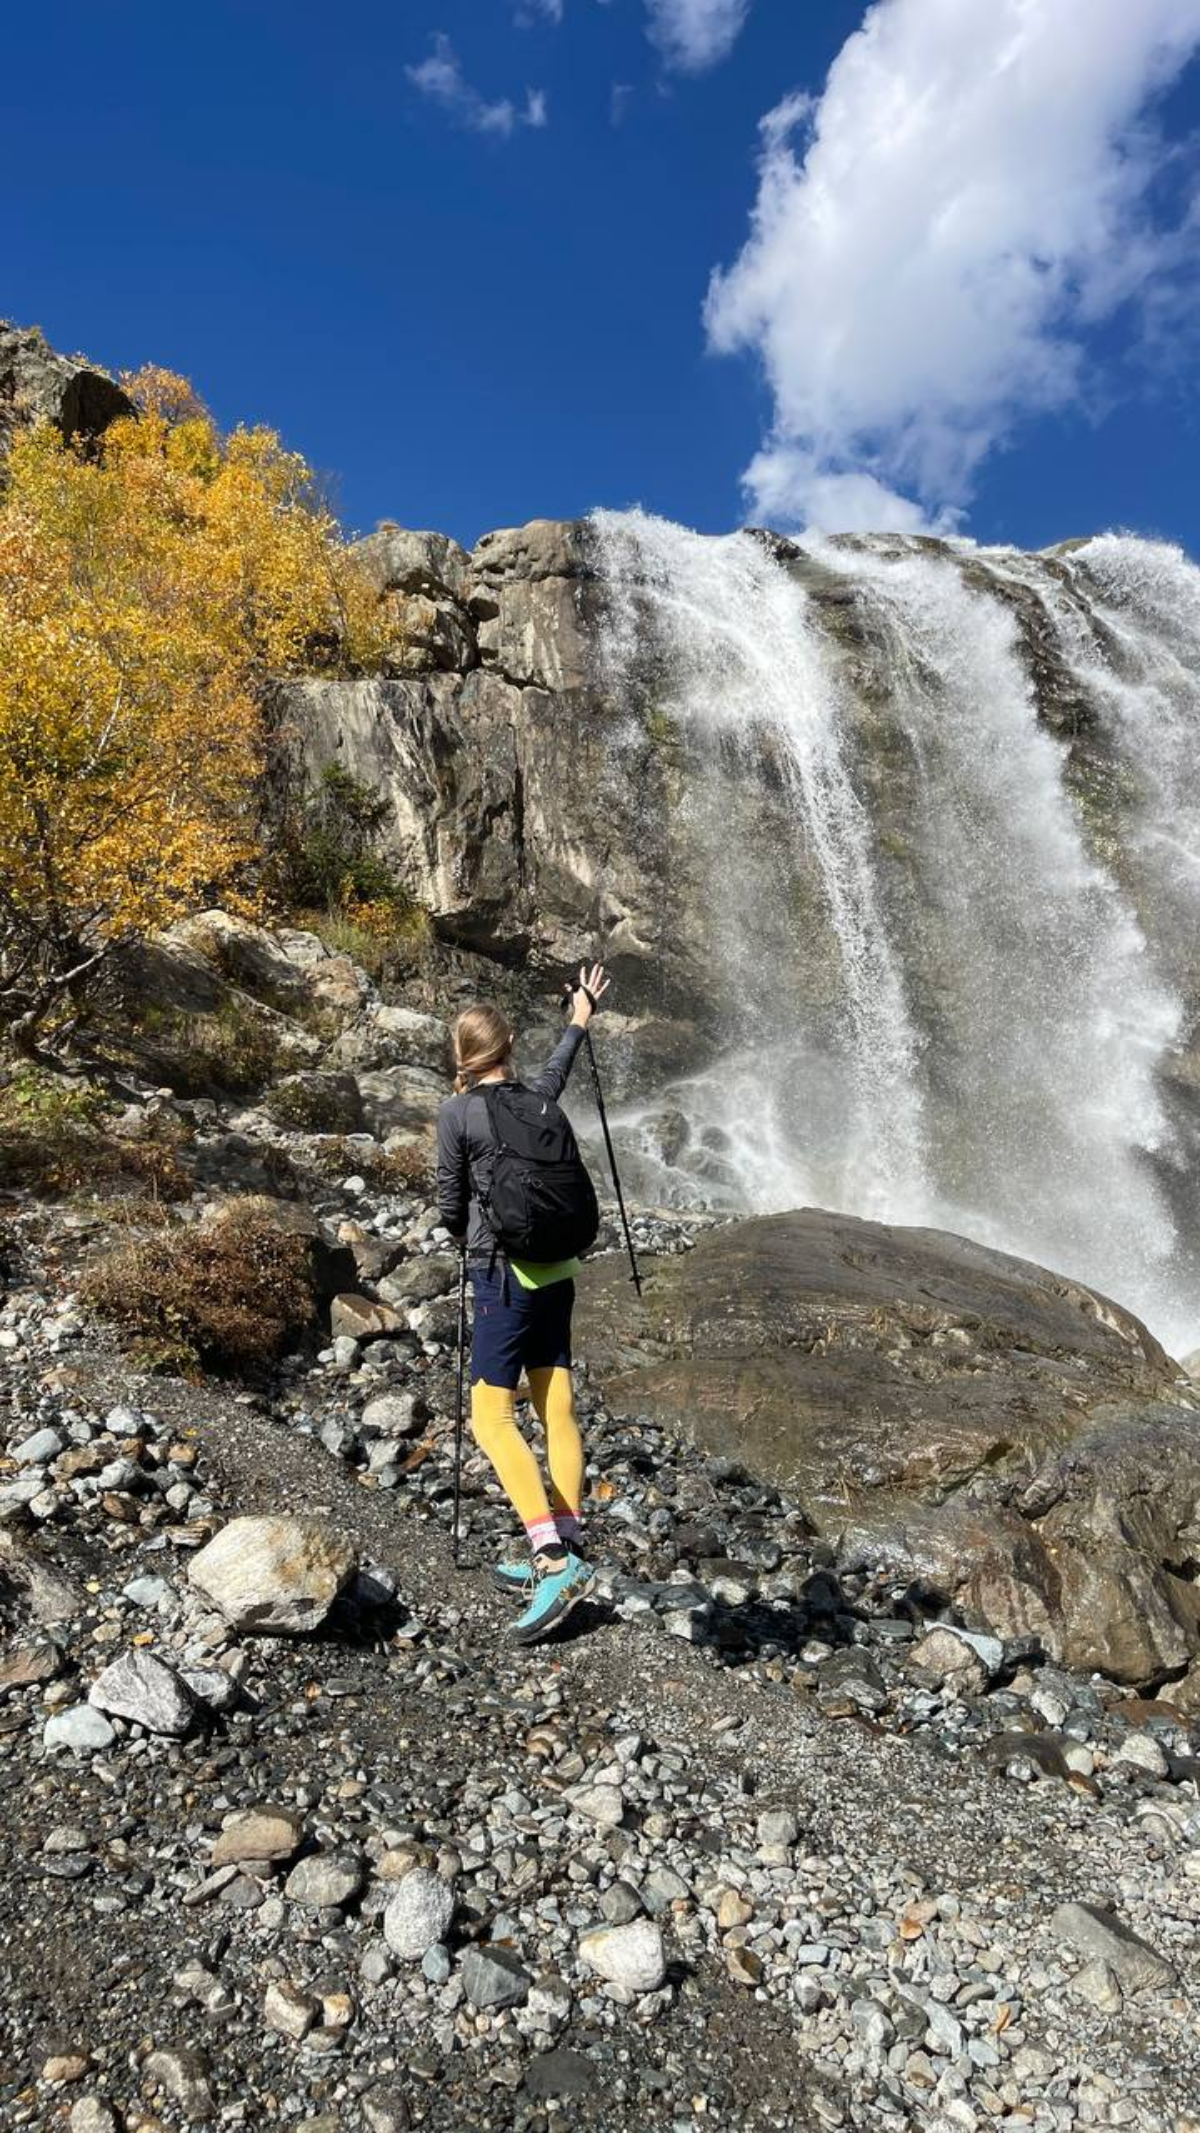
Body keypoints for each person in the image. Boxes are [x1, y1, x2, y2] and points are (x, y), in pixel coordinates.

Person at [436, 963, 610, 1644]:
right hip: (557, 1271)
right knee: (555, 1408)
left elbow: (450, 1206)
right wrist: (580, 1015)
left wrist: (469, 1239)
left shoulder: (457, 1113)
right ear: (508, 1048)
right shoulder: (539, 1100)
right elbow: (558, 1070)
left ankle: (551, 1560)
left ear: (460, 1055)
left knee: (490, 1419)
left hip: (501, 1278)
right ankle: (566, 1536)